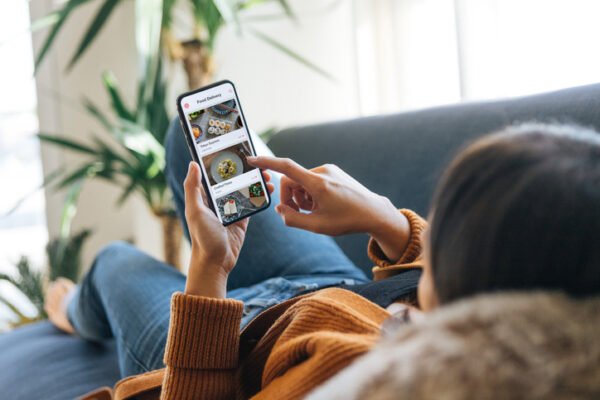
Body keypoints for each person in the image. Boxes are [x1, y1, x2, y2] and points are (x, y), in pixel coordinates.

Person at [45, 123, 600, 399]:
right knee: (192, 133)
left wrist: (209, 271)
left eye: (443, 234)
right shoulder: (541, 301)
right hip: (331, 290)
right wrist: (381, 217)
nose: (432, 241)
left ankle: (74, 310)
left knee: (114, 262)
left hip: (227, 336)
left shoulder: (362, 383)